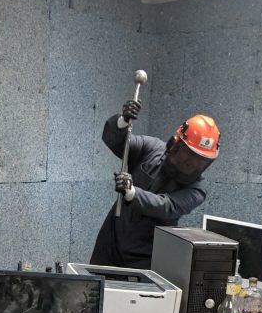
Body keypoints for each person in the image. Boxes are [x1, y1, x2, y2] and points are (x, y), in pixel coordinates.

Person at [90, 100, 221, 269]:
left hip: (146, 257)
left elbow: (167, 206)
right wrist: (123, 120)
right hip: (111, 244)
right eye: (188, 154)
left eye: (199, 160)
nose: (190, 163)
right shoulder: (151, 148)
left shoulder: (198, 189)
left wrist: (131, 192)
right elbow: (118, 143)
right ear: (175, 143)